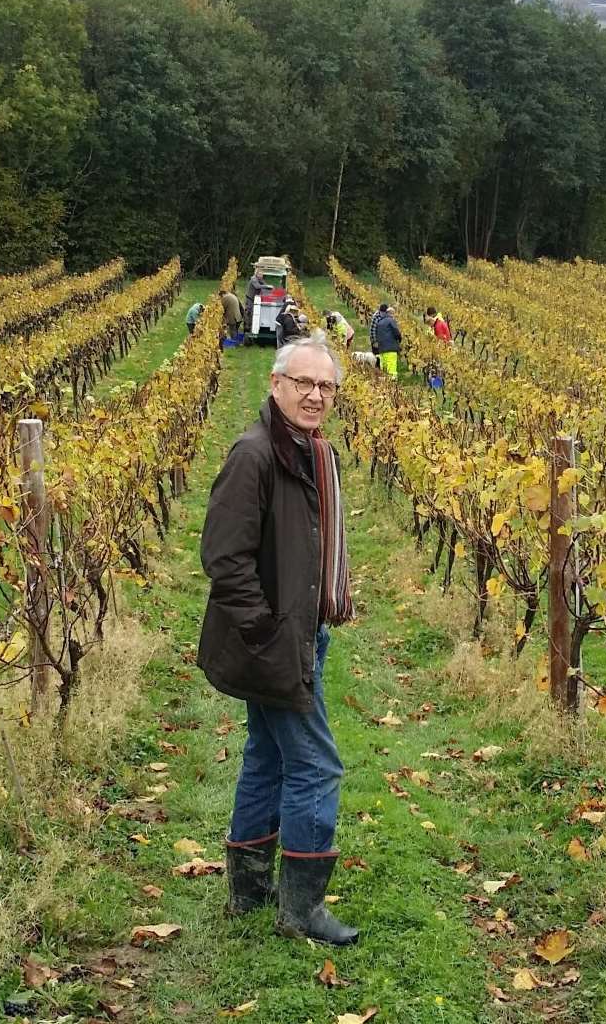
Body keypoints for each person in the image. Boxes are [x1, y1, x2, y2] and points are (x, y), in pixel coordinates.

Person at [198, 331, 358, 946]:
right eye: (304, 383)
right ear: (276, 384)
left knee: (267, 755)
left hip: (295, 634)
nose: (316, 395)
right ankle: (303, 909)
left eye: (326, 386)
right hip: (273, 643)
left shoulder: (306, 451)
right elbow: (224, 558)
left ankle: (249, 887)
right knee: (317, 765)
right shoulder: (256, 454)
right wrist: (268, 630)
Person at [370, 303, 401, 379]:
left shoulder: (379, 322)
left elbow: (375, 333)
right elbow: (397, 333)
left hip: (381, 350)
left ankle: (385, 387)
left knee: (384, 370)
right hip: (391, 350)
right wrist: (399, 340)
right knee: (392, 371)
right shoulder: (391, 321)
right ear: (389, 313)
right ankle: (393, 387)